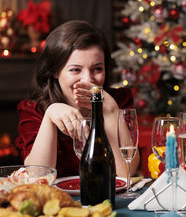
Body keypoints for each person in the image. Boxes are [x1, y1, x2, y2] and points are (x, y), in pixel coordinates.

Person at [14, 20, 140, 178]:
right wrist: (50, 115)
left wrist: (112, 112)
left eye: (97, 69)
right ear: (55, 71)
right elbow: (38, 175)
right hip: (59, 201)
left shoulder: (119, 100)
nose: (88, 79)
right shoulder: (34, 110)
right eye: (75, 70)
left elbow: (126, 173)